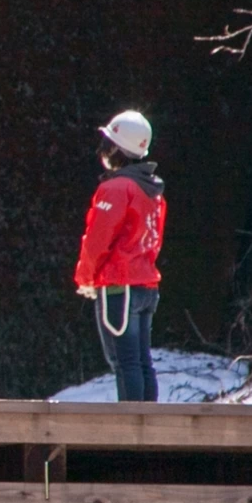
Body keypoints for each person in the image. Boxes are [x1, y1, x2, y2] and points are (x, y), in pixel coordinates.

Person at [77, 109, 167, 403]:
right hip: (145, 286)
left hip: (119, 287)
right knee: (142, 362)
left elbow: (97, 240)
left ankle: (131, 436)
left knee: (124, 363)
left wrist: (86, 277)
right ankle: (148, 429)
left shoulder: (115, 188)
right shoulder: (153, 190)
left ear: (115, 149)